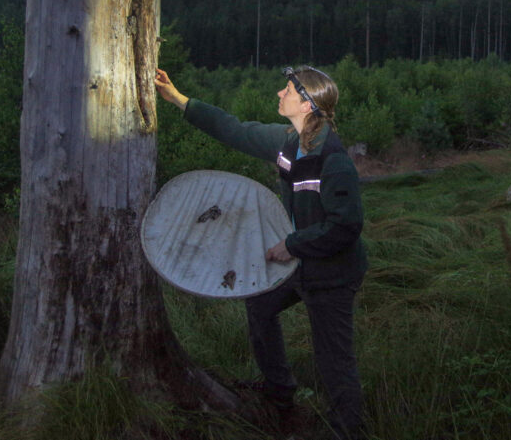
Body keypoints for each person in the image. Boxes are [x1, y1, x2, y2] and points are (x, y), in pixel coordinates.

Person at [154, 66, 367, 440]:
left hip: (331, 274)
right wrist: (178, 99)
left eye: (287, 90)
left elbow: (346, 227)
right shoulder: (287, 141)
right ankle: (280, 390)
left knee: (333, 358)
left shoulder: (333, 161)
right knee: (260, 305)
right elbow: (233, 129)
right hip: (300, 264)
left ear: (307, 103)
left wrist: (292, 244)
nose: (279, 95)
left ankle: (346, 429)